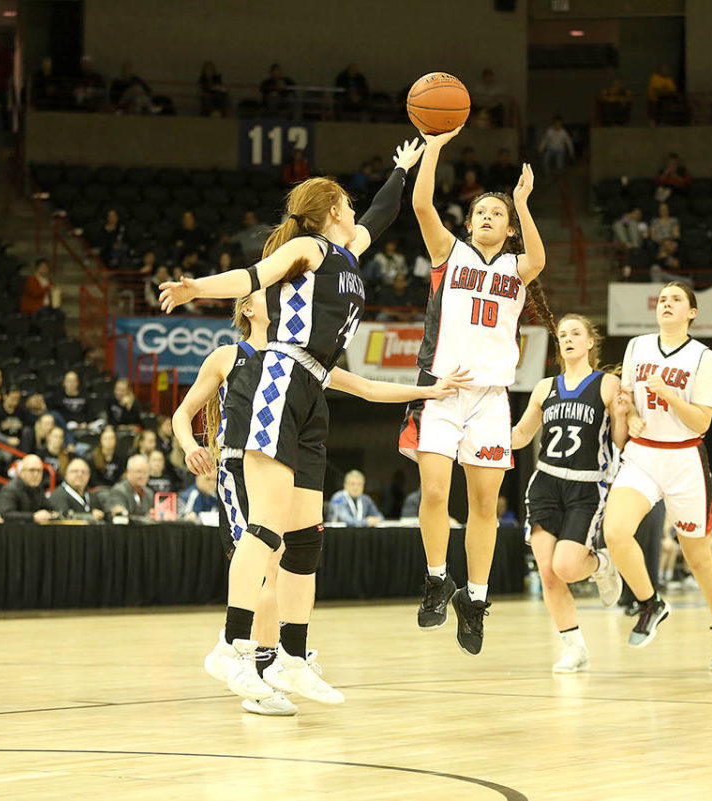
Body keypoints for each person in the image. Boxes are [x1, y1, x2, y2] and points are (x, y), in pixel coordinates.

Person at [158, 138, 426, 705]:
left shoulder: (348, 254)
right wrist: (196, 290)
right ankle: (230, 648)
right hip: (281, 376)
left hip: (315, 389)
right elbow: (254, 276)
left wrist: (403, 169)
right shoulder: (308, 247)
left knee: (306, 542)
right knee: (266, 530)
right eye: (347, 206)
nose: (355, 213)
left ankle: (292, 658)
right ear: (332, 210)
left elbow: (381, 213)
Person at [172, 287, 466, 716]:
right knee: (268, 565)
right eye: (265, 294)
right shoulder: (227, 356)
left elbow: (365, 387)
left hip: (284, 467)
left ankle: (272, 662)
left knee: (290, 563)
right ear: (248, 308)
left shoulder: (304, 361)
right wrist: (188, 445)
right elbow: (182, 412)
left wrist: (429, 392)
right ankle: (252, 660)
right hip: (239, 464)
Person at [401, 124, 547, 656]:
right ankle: (438, 577)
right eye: (480, 212)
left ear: (508, 229)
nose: (486, 218)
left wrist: (523, 204)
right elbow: (421, 204)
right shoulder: (449, 254)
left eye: (496, 215)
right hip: (441, 388)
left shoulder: (517, 265)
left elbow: (539, 259)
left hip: (490, 397)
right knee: (436, 493)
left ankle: (476, 598)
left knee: (485, 504)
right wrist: (435, 146)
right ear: (469, 222)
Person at [603, 282, 712, 669]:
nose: (667, 304)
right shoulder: (636, 347)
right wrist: (630, 416)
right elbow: (627, 404)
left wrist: (671, 395)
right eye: (662, 299)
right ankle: (650, 602)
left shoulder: (703, 358)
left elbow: (703, 422)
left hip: (684, 459)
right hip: (643, 455)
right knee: (615, 532)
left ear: (691, 313)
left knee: (698, 558)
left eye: (676, 299)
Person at [510, 314, 628, 672]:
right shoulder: (545, 388)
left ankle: (601, 564)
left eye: (576, 333)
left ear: (591, 342)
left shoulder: (607, 384)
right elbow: (519, 437)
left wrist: (622, 415)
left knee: (567, 566)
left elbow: (621, 442)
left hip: (587, 484)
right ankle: (573, 647)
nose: (568, 339)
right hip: (546, 482)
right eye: (562, 335)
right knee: (547, 571)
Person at [0, 455, 57, 523]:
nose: (36, 474)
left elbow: (49, 507)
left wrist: (53, 514)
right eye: (31, 470)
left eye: (39, 471)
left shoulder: (38, 488)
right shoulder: (10, 489)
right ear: (22, 472)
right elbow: (5, 514)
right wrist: (33, 517)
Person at [48, 457, 106, 522]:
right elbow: (63, 516)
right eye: (75, 471)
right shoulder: (58, 496)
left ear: (89, 476)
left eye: (84, 472)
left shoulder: (92, 497)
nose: (80, 474)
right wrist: (89, 516)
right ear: (66, 474)